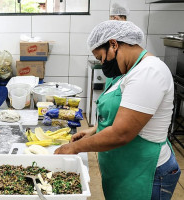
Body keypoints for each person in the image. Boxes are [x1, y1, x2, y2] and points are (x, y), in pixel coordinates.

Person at [55, 20, 181, 200]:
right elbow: (118, 113)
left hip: (146, 173)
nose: (102, 63)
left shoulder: (149, 72)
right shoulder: (126, 71)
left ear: (113, 44)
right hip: (124, 168)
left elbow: (121, 133)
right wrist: (94, 130)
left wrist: (74, 148)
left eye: (101, 58)